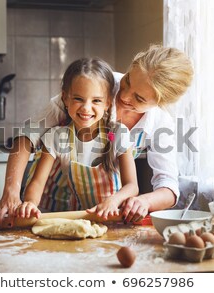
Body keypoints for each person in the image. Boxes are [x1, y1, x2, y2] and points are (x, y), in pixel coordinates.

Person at [0, 43, 194, 228]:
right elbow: (27, 136)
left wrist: (144, 201)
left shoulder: (160, 124)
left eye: (138, 98)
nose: (123, 95)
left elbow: (168, 186)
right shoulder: (96, 83)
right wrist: (11, 192)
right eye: (128, 81)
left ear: (158, 104)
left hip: (101, 213)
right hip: (54, 206)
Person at [15, 58, 139, 221]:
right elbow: (38, 183)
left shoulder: (119, 134)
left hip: (112, 218)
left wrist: (113, 201)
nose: (86, 108)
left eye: (96, 100)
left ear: (107, 103)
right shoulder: (56, 137)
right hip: (78, 218)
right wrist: (30, 203)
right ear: (65, 98)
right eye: (78, 99)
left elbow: (132, 186)